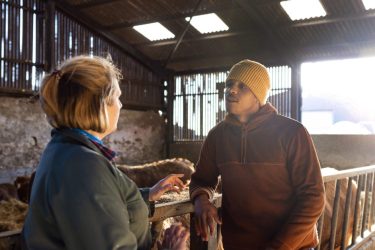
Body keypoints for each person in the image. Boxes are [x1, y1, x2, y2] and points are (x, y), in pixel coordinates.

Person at [22, 55, 189, 250]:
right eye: (117, 97)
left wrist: (147, 195)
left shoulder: (65, 149)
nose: (121, 105)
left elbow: (94, 211)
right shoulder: (84, 166)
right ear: (100, 104)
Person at [189, 59, 325, 250]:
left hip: (292, 246)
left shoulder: (292, 133)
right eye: (229, 84)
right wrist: (201, 200)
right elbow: (201, 179)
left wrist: (280, 246)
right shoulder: (217, 136)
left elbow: (313, 197)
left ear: (258, 96)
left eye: (242, 86)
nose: (231, 90)